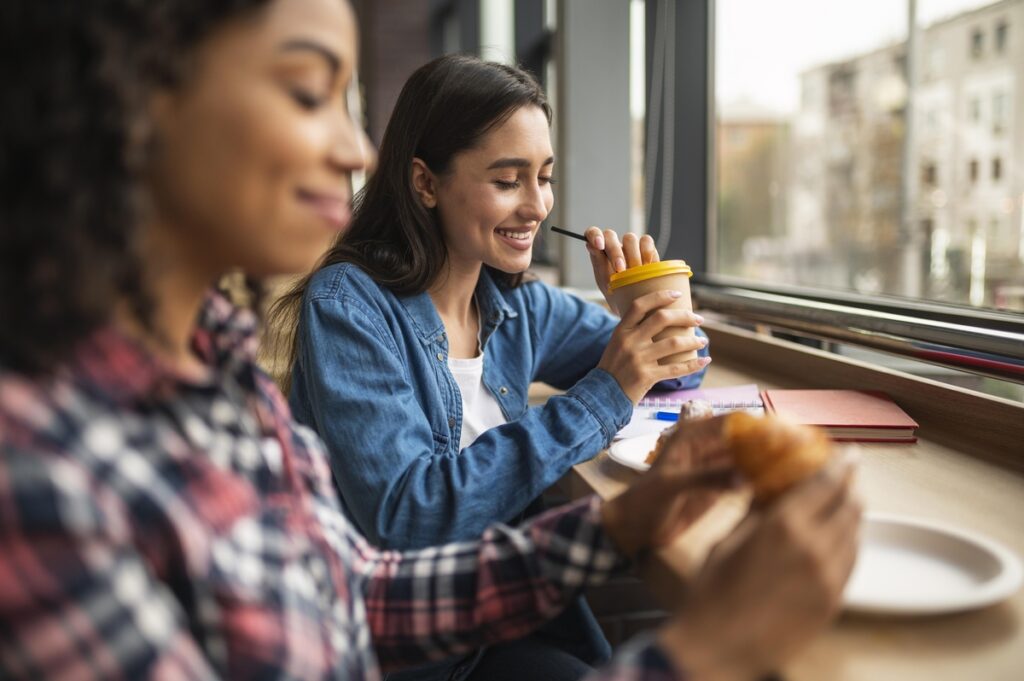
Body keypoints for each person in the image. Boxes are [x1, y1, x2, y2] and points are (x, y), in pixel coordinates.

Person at [0, 1, 861, 680]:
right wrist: (707, 654)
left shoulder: (224, 372)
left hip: (458, 623)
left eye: (545, 178)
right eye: (309, 94)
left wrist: (625, 507)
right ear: (141, 105)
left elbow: (351, 596)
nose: (353, 147)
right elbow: (406, 523)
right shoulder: (43, 481)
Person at [276, 54, 710, 679]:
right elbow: (409, 518)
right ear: (425, 183)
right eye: (508, 181)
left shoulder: (518, 305)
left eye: (545, 177)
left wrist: (642, 298)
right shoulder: (349, 306)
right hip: (407, 655)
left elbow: (680, 370)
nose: (537, 206)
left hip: (506, 621)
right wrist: (605, 391)